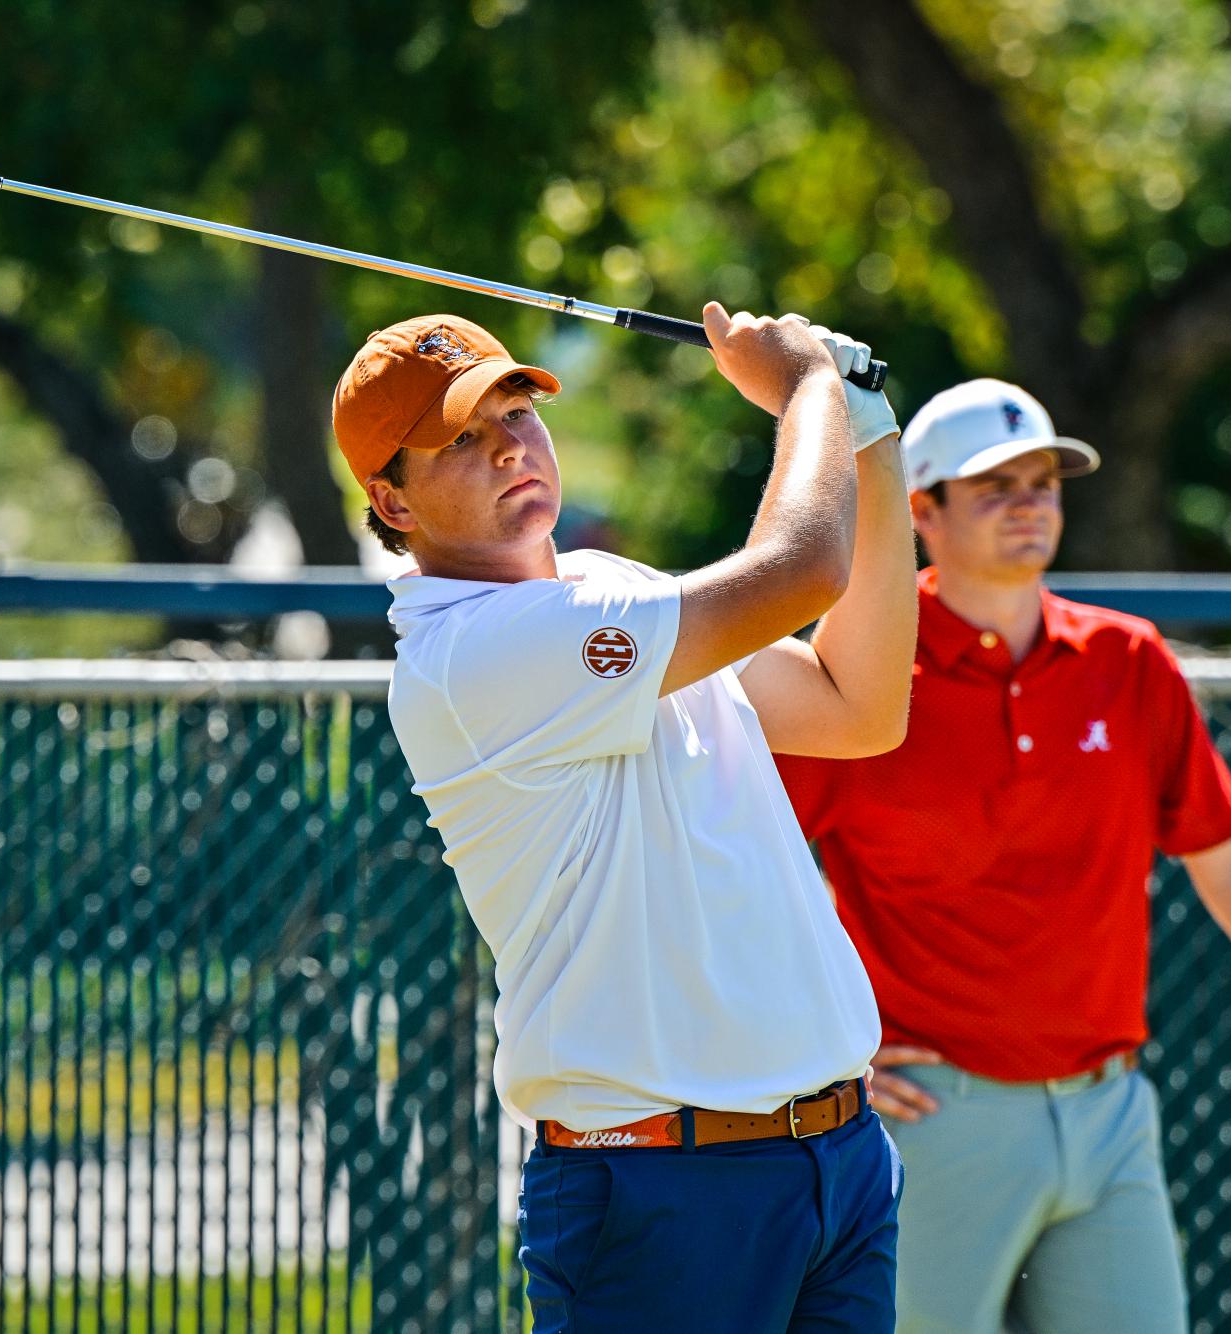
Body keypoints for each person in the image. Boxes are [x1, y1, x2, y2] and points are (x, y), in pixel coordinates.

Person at [773, 378, 1231, 1334]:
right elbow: (744, 878)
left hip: (1112, 1115)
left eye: (1042, 480)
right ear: (922, 511)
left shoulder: (1130, 661)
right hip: (929, 1121)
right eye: (994, 486)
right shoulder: (855, 680)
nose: (1029, 502)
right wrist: (811, 1057)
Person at [331, 307, 918, 1331]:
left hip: (835, 1159)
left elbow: (858, 705)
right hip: (658, 1190)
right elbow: (800, 570)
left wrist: (869, 438)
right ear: (393, 499)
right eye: (462, 439)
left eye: (517, 408)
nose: (513, 442)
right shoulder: (471, 655)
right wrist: (810, 386)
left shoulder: (612, 589)